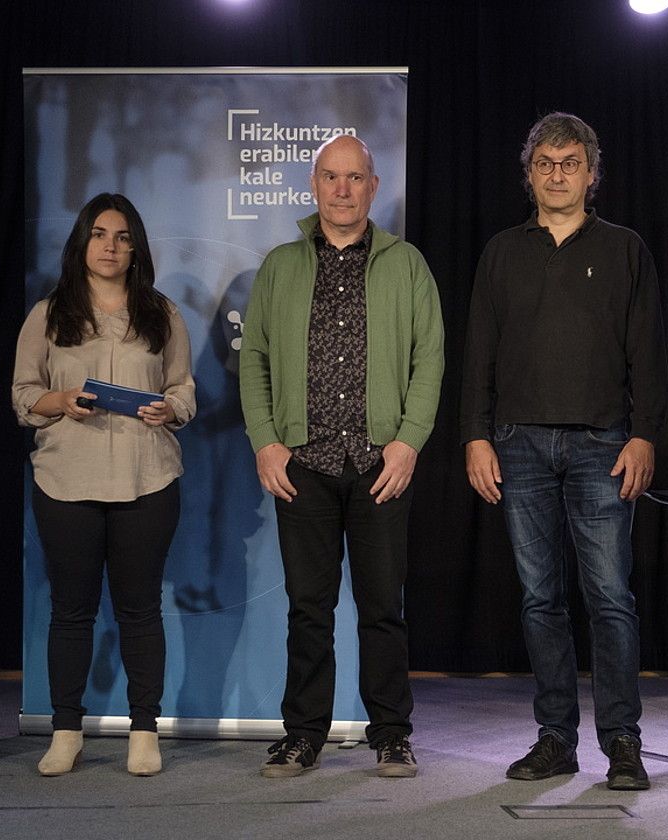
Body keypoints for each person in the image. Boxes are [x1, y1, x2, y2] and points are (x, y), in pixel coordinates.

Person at [460, 112, 667, 790]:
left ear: (591, 173)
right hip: (517, 445)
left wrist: (643, 434)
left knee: (609, 597)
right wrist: (474, 436)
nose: (557, 174)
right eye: (545, 163)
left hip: (604, 445)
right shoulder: (501, 252)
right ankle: (555, 738)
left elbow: (647, 351)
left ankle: (623, 742)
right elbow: (478, 357)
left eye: (569, 162)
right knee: (540, 598)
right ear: (530, 174)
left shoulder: (625, 249)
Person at [239, 134, 443, 779]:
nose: (343, 189)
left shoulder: (406, 263)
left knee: (384, 608)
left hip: (382, 464)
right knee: (309, 609)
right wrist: (266, 441)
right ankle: (302, 736)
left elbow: (429, 359)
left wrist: (408, 442)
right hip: (305, 464)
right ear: (315, 185)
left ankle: (391, 735)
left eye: (355, 178)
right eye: (331, 177)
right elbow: (256, 360)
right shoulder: (280, 265)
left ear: (373, 186)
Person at [12, 193, 196, 777]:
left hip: (147, 480)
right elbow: (22, 397)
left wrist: (169, 408)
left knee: (140, 610)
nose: (109, 246)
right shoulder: (48, 314)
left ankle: (145, 731)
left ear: (135, 247)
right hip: (67, 480)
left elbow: (185, 390)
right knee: (71, 612)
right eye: (98, 234)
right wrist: (60, 401)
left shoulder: (161, 314)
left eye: (121, 236)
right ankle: (67, 730)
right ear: (81, 243)